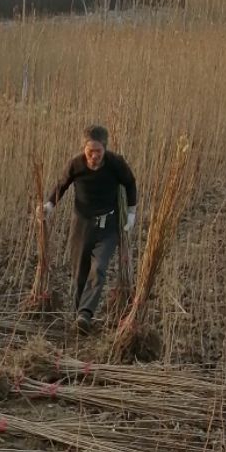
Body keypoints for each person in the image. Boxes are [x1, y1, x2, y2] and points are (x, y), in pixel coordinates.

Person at [45, 124, 139, 329]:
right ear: (84, 148)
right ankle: (79, 314)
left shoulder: (116, 164)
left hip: (109, 224)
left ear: (105, 149)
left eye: (98, 151)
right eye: (90, 151)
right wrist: (49, 206)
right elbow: (62, 185)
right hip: (82, 223)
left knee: (99, 268)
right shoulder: (75, 165)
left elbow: (131, 183)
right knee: (80, 270)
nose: (94, 156)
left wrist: (131, 214)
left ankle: (85, 314)